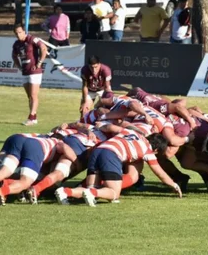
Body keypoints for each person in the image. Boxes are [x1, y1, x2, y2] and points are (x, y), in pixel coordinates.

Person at [54, 130, 182, 206]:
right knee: (114, 193)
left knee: (91, 187)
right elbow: (160, 173)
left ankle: (65, 192)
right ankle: (92, 192)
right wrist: (174, 185)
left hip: (98, 150)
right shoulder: (148, 151)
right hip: (111, 155)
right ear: (156, 150)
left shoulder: (131, 132)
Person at [12, 24, 48, 126]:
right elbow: (14, 56)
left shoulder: (32, 39)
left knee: (33, 95)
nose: (18, 35)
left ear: (24, 31)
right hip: (25, 71)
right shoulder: (16, 44)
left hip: (34, 71)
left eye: (20, 32)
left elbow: (44, 48)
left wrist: (39, 63)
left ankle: (31, 117)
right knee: (29, 96)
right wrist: (19, 67)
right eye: (16, 33)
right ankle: (34, 117)